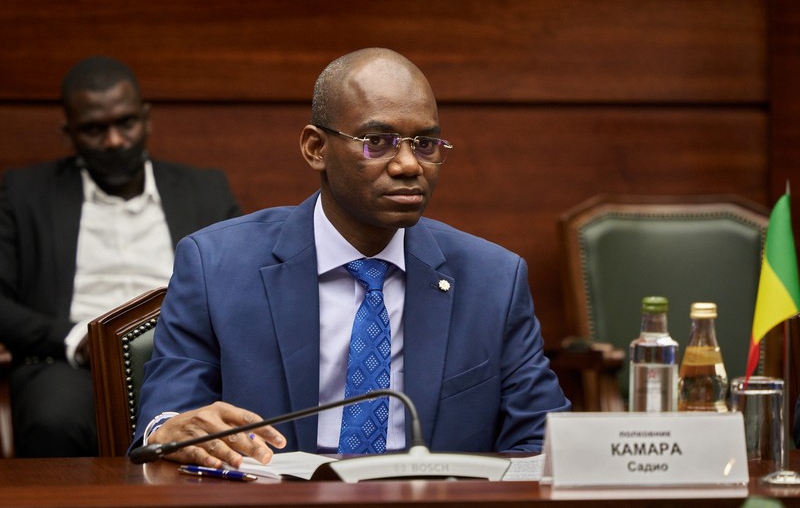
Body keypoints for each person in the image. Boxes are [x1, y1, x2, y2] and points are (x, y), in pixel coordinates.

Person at [132, 47, 570, 469]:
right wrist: (169, 428)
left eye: (425, 144)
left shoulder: (493, 279)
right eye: (377, 141)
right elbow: (167, 420)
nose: (407, 164)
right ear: (315, 148)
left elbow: (544, 442)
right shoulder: (215, 266)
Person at [0, 55, 241, 457]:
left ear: (146, 119)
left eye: (125, 123)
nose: (113, 140)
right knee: (52, 419)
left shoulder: (205, 190)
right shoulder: (26, 194)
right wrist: (74, 339)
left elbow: (244, 280)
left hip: (188, 357)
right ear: (69, 132)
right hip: (71, 364)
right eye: (94, 128)